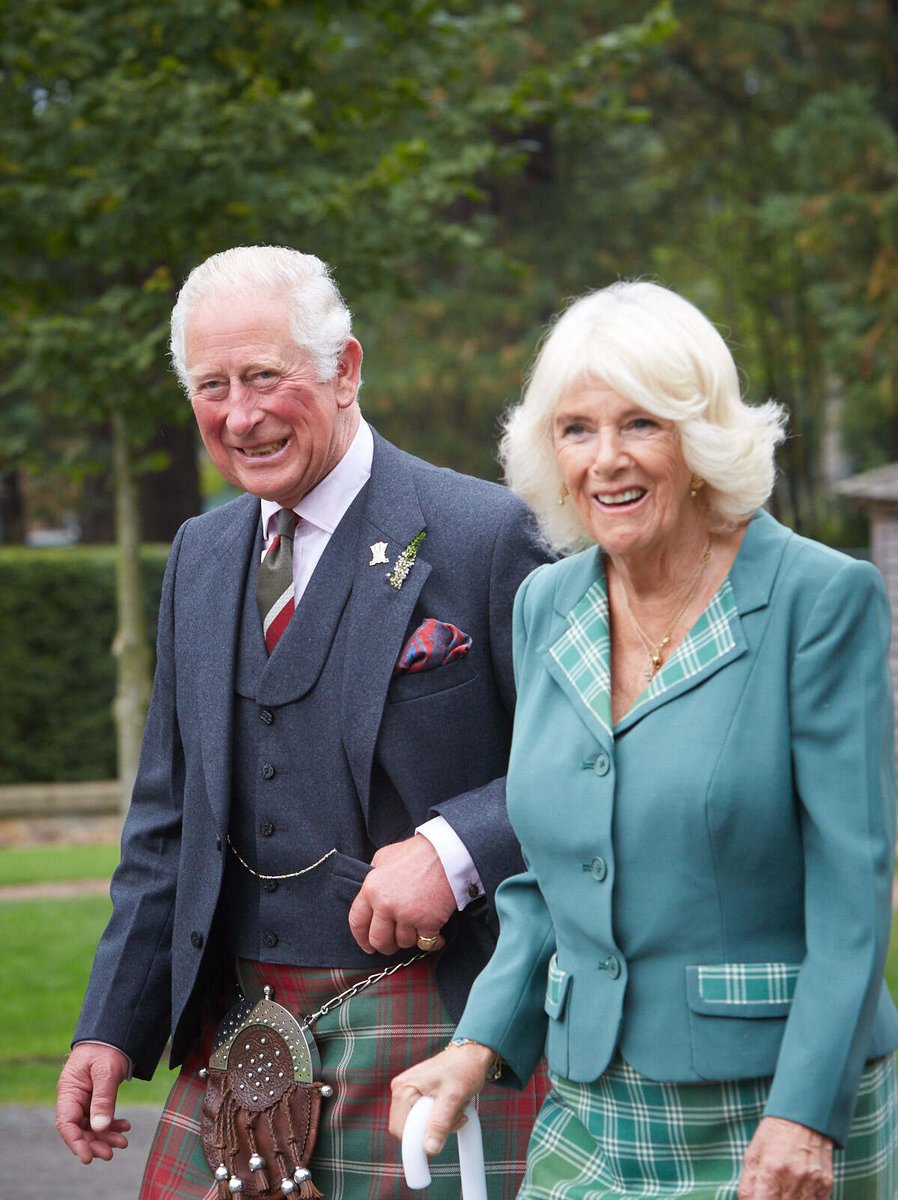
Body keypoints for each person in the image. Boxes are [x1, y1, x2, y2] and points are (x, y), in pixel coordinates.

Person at [389, 281, 898, 1200]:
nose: (606, 460)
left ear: (701, 439)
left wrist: (805, 1111)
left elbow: (850, 891)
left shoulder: (819, 601)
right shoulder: (547, 602)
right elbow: (551, 871)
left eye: (641, 425)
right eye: (577, 429)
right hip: (591, 1102)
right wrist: (477, 1044)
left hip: (774, 1107)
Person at [55, 245, 551, 1199]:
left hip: (429, 1023)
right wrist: (111, 1023)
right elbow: (167, 816)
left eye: (266, 377)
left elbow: (588, 762)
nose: (240, 414)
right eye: (213, 386)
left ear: (346, 369)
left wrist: (457, 848)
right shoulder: (199, 556)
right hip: (236, 1026)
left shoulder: (486, 534)